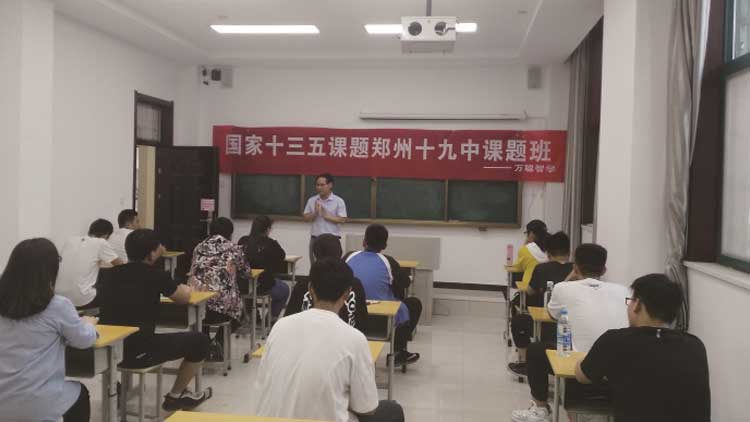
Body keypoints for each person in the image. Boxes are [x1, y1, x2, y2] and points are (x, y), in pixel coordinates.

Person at [248, 258, 404, 422]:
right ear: (347, 293)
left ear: (310, 288)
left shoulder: (280, 326)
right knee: (392, 410)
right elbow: (366, 407)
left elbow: (263, 384)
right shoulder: (354, 339)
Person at [512, 243, 629, 422]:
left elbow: (552, 314)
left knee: (536, 350)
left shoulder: (563, 288)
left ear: (575, 267)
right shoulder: (623, 290)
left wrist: (568, 279)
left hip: (580, 366)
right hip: (617, 367)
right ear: (604, 270)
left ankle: (541, 408)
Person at [97, 229, 211, 411]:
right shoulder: (157, 275)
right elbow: (183, 298)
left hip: (109, 352)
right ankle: (176, 396)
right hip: (141, 351)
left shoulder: (108, 274)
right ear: (151, 254)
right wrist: (187, 289)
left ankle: (118, 389)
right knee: (200, 341)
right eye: (159, 247)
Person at [575, 274, 710, 422]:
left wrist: (584, 358)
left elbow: (582, 376)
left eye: (630, 301)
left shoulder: (614, 341)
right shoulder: (695, 346)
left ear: (637, 304)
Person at [0, 238, 98, 422]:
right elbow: (83, 340)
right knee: (80, 393)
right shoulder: (57, 305)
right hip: (35, 404)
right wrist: (89, 324)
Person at [345, 224, 421, 366]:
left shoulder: (349, 256)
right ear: (384, 245)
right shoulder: (388, 262)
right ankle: (398, 351)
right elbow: (405, 283)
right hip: (381, 323)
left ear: (364, 241)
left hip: (349, 315)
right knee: (413, 303)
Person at [508, 231, 573, 376]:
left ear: (548, 253)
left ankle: (525, 363)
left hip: (546, 326)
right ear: (569, 252)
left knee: (518, 321)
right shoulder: (576, 270)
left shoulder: (542, 268)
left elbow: (530, 291)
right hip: (572, 328)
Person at [286, 233, 369, 333]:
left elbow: (289, 320)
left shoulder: (303, 284)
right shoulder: (354, 284)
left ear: (314, 256)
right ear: (340, 253)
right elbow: (363, 324)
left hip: (307, 338)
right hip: (346, 339)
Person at [189, 217, 247, 356]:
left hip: (197, 305)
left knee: (203, 318)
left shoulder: (198, 247)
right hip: (223, 308)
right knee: (241, 312)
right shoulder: (234, 248)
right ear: (230, 232)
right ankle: (219, 340)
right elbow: (246, 272)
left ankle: (204, 342)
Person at [55, 218, 124, 308]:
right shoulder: (101, 242)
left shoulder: (70, 240)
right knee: (111, 283)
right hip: (81, 299)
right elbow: (120, 265)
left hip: (59, 296)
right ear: (106, 235)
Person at [238, 215, 291, 320]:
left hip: (242, 285)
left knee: (248, 287)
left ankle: (251, 315)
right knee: (285, 289)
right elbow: (282, 256)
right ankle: (270, 318)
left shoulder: (243, 241)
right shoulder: (271, 243)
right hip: (263, 285)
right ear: (267, 229)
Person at [303, 173, 347, 265]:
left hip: (332, 240)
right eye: (317, 185)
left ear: (330, 185)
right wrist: (315, 213)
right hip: (315, 239)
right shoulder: (312, 200)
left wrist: (326, 216)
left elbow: (342, 220)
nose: (319, 188)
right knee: (315, 266)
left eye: (322, 185)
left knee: (333, 266)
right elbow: (306, 218)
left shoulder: (338, 201)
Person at [505, 219, 550, 294]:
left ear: (531, 233)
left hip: (529, 290)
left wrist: (526, 244)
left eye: (526, 233)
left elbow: (518, 268)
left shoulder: (526, 249)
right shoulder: (552, 249)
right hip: (548, 290)